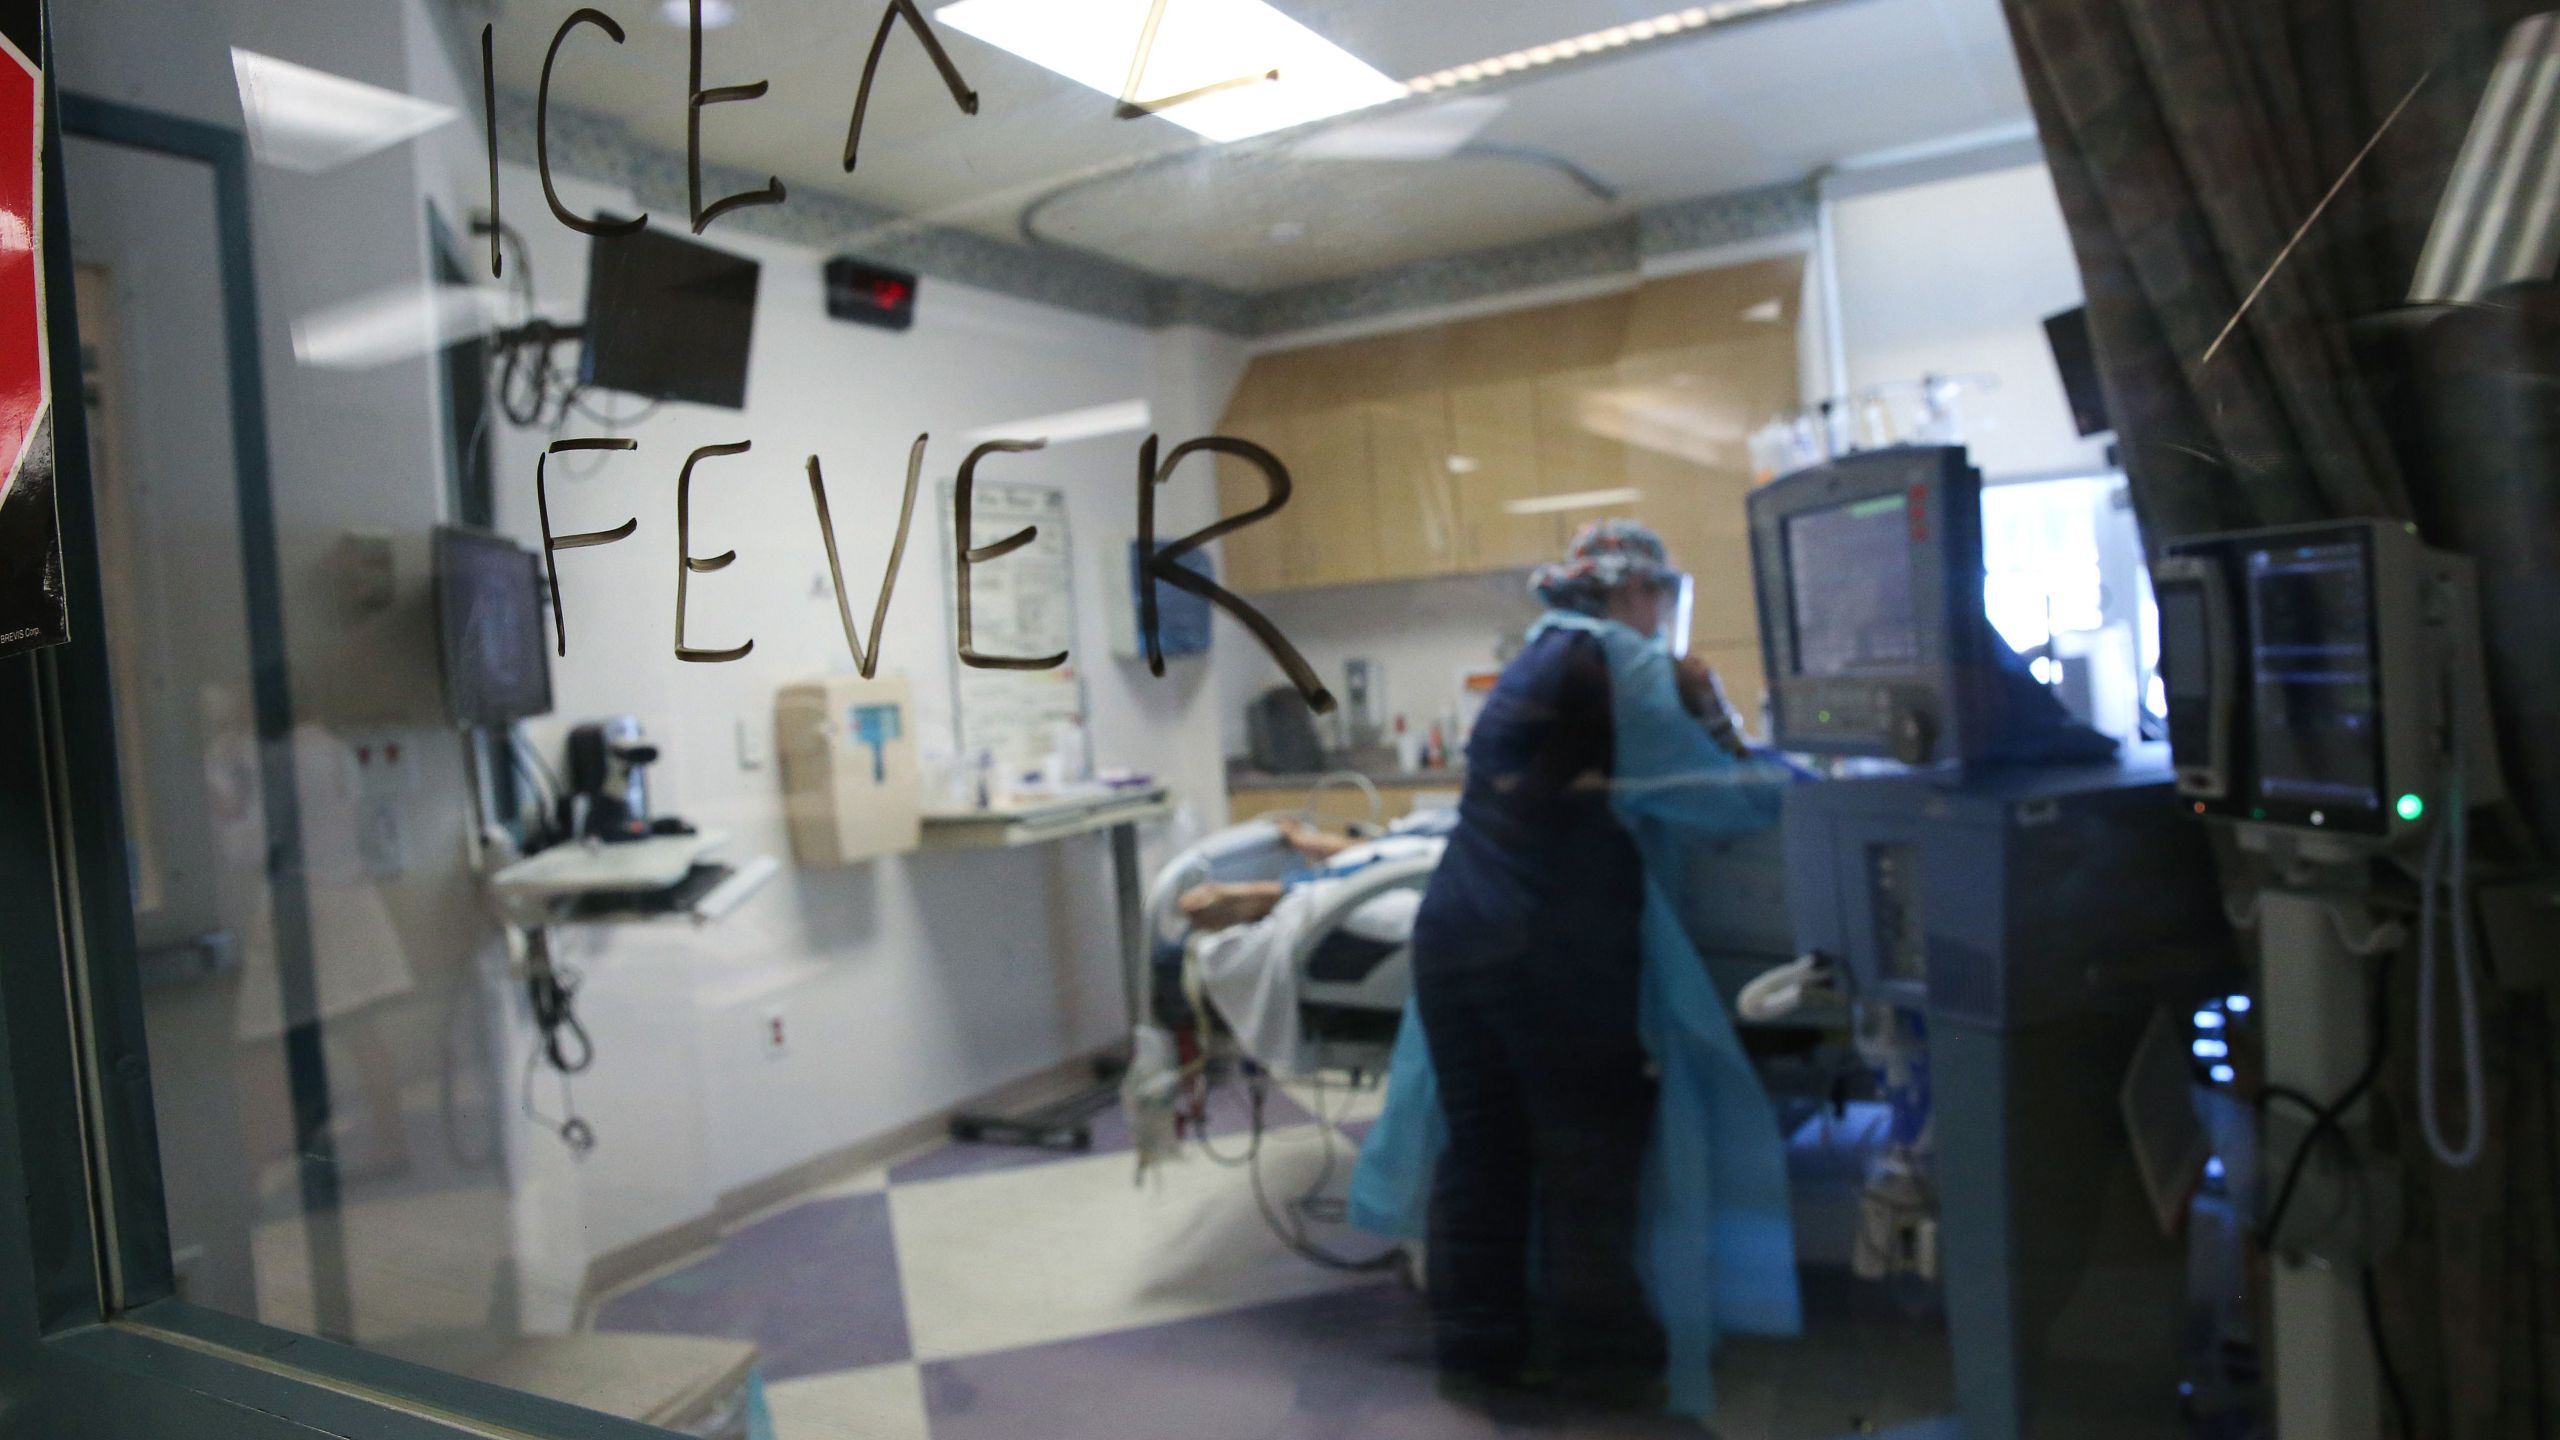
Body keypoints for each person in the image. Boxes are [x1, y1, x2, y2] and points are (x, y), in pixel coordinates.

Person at [1350, 519, 1802, 1419]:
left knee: (1484, 1156)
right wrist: (1737, 727)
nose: (1665, 613)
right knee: (1589, 1160)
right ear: (1636, 593)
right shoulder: (1625, 665)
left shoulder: (1538, 653)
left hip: (1459, 935)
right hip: (1545, 950)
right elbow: (1724, 801)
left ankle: (1480, 1356)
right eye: (1661, 596)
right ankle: (1612, 1379)